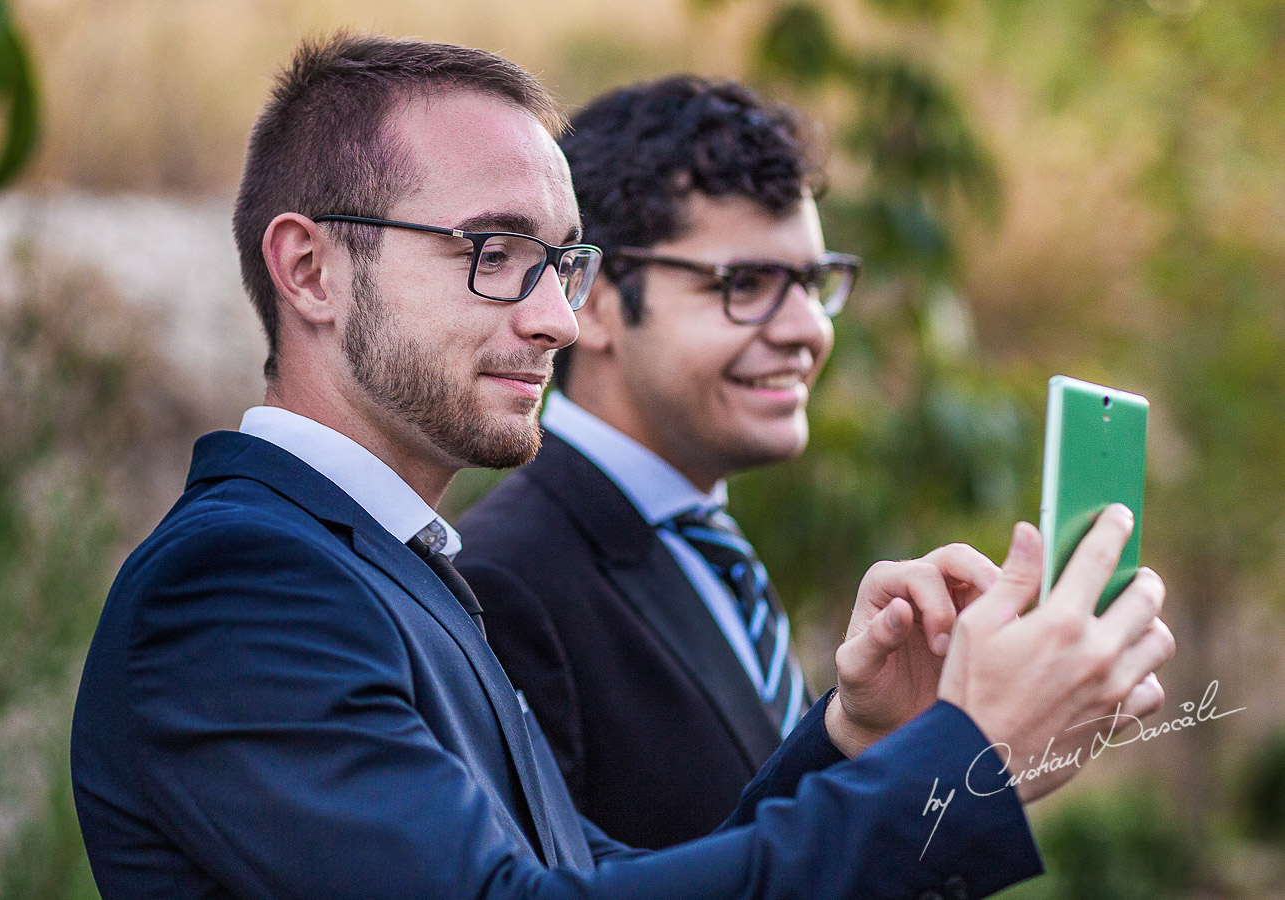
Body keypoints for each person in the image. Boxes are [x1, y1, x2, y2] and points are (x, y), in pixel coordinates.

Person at [70, 33, 1175, 900]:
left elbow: (590, 877)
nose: (557, 317)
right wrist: (964, 757)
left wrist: (857, 738)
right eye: (496, 255)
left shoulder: (391, 569)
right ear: (309, 268)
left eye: (566, 263)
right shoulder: (237, 584)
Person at [455, 76, 863, 847]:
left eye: (812, 283)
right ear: (595, 301)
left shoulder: (709, 545)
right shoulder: (506, 585)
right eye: (745, 285)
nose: (808, 330)